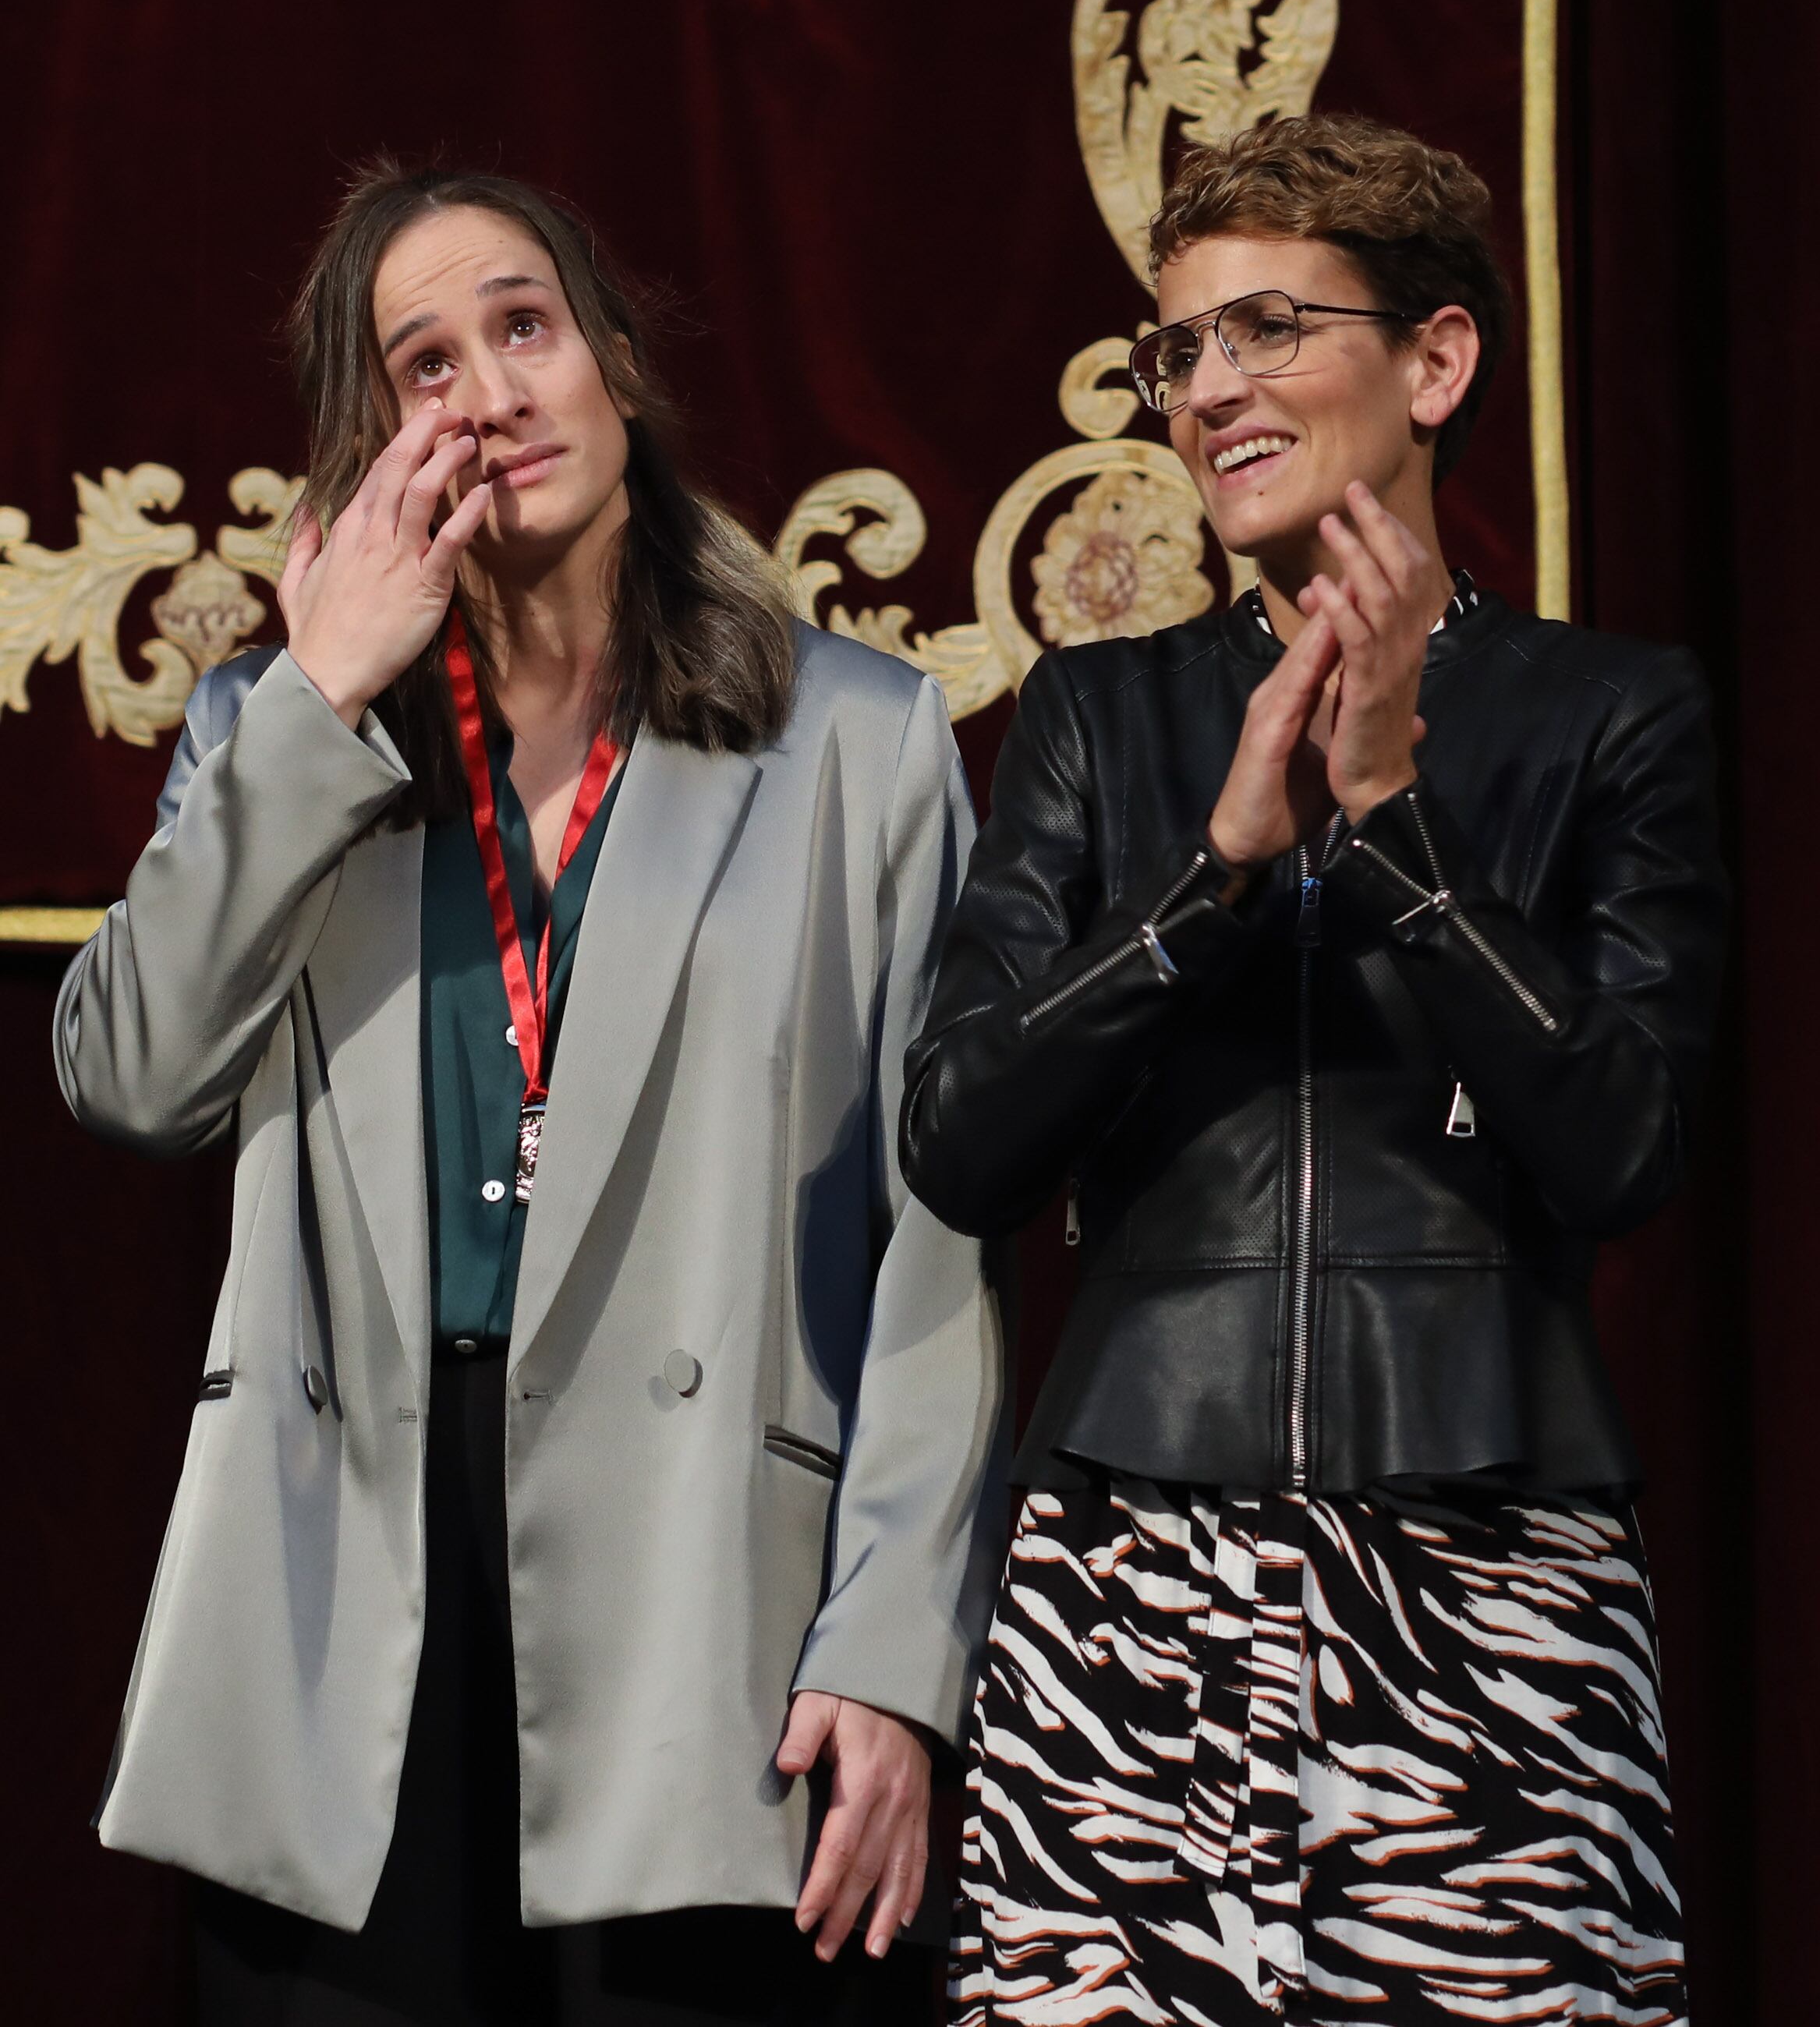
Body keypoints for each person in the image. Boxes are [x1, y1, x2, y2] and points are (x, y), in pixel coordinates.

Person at [58, 165, 1005, 2027]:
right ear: (371, 451)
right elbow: (132, 1078)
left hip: (708, 1601)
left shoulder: (856, 741)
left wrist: (899, 1649)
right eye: (421, 365)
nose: (484, 391)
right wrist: (322, 689)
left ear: (620, 371)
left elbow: (940, 1229)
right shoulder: (284, 728)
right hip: (353, 1588)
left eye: (522, 326)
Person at [901, 115, 1726, 2027]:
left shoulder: (1613, 713)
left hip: (1487, 1575)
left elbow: (1627, 1145)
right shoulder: (1098, 719)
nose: (1209, 389)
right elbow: (959, 1142)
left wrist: (1399, 830)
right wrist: (1210, 875)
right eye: (1176, 350)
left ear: (1435, 363)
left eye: (1265, 328)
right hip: (1128, 1578)